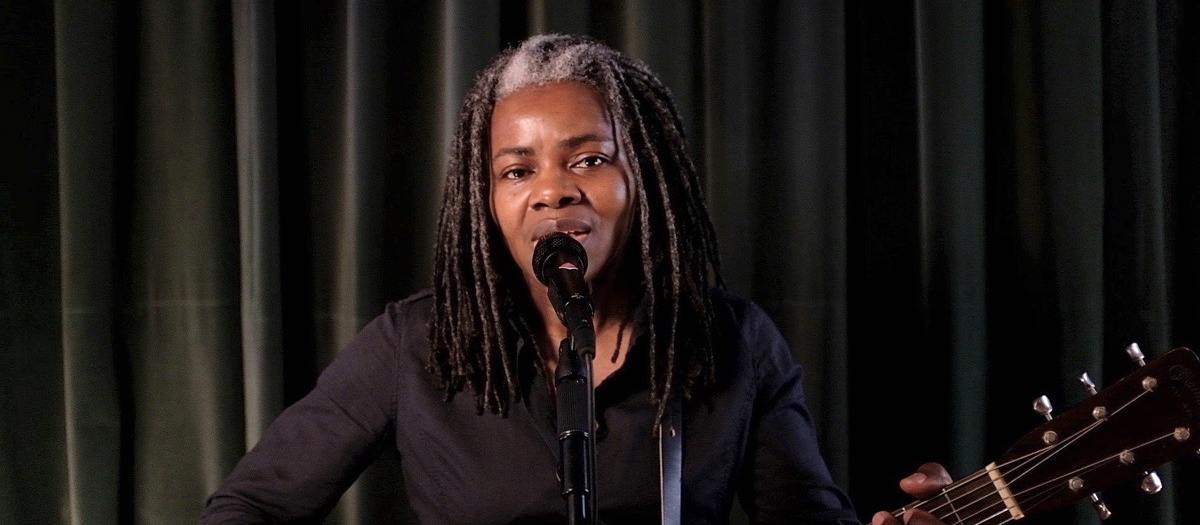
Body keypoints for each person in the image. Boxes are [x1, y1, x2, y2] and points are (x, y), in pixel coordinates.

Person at [199, 33, 949, 525]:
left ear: (645, 179)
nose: (551, 190)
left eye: (588, 159)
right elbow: (250, 507)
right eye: (517, 170)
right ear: (486, 200)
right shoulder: (415, 343)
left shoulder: (733, 343)